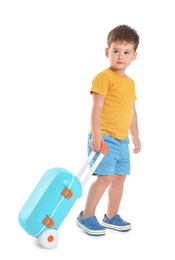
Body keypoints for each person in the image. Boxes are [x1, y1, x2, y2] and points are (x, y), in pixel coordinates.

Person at [76, 24, 141, 236]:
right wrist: (96, 134)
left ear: (134, 56)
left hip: (122, 141)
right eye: (116, 51)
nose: (120, 56)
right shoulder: (104, 77)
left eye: (126, 52)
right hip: (104, 137)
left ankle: (111, 216)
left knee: (120, 177)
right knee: (104, 177)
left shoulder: (130, 83)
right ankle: (86, 215)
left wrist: (136, 135)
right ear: (107, 52)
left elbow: (131, 110)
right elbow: (97, 107)